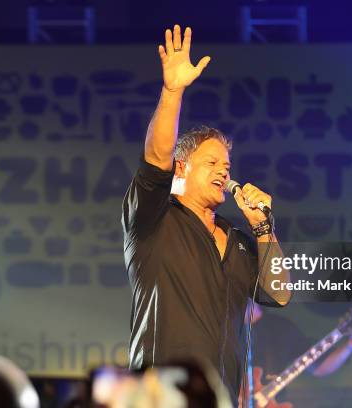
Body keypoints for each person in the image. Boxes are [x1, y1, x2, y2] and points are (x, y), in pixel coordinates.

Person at [122, 24, 291, 405]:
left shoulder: (236, 239)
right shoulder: (155, 220)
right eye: (211, 162)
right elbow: (156, 158)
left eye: (227, 166)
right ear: (182, 169)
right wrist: (172, 91)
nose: (224, 171)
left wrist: (263, 226)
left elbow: (278, 294)